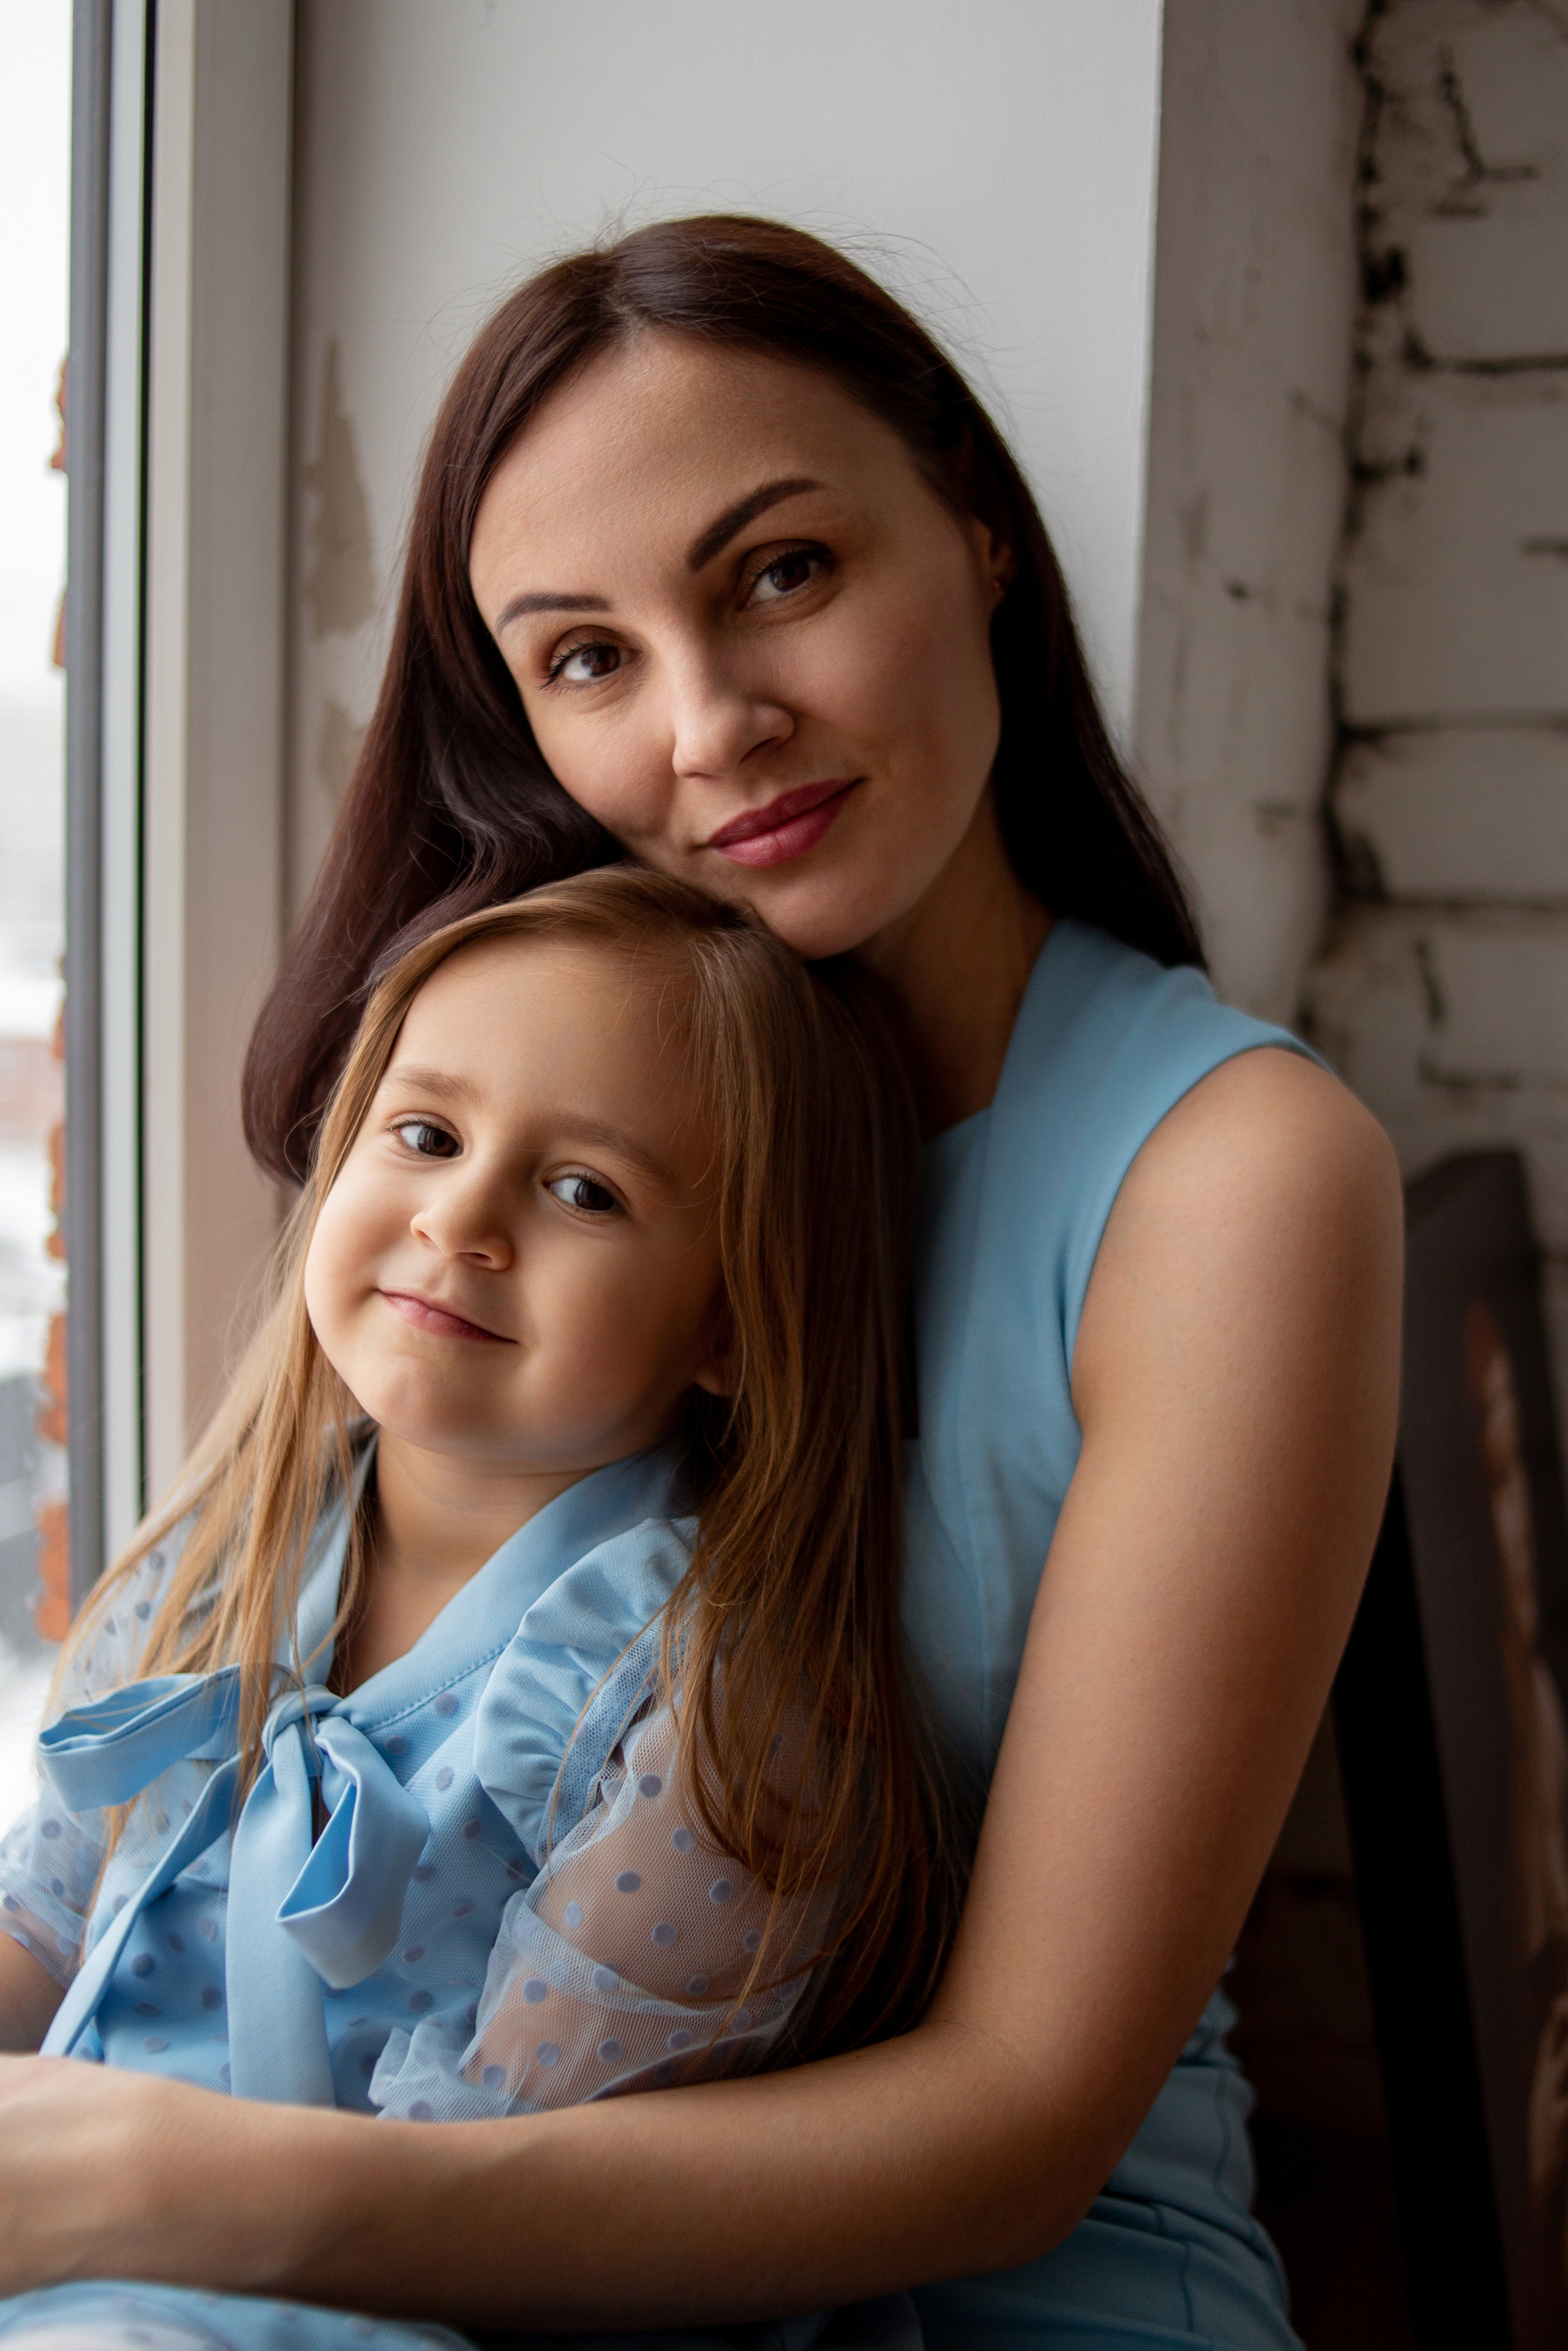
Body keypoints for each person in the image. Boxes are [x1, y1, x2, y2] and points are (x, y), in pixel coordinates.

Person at [0, 217, 1403, 2350]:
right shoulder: (536, 1095)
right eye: (586, 657)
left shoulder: (1230, 1180)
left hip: (1016, 2291)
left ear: (977, 527)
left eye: (781, 573)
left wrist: (216, 2189)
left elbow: (1022, 2121)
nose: (713, 725)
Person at [0, 871, 937, 2351]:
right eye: (425, 1134)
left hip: (413, 2285)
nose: (462, 1218)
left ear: (730, 1322)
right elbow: (42, 1930)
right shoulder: (225, 1556)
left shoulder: (706, 1711)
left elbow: (495, 2195)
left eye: (585, 1190)